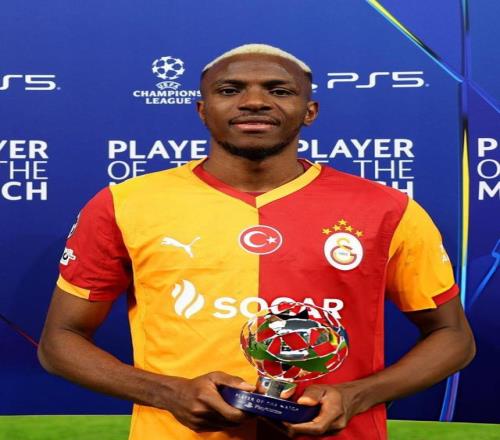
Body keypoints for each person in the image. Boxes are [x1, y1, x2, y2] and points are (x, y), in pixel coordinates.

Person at [38, 44, 476, 440]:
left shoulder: (387, 208)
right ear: (202, 110)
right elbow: (60, 341)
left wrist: (357, 396)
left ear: (310, 111)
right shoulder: (125, 204)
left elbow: (452, 336)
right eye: (230, 90)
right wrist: (167, 391)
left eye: (279, 90)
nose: (254, 101)